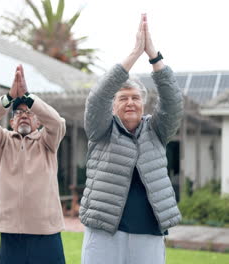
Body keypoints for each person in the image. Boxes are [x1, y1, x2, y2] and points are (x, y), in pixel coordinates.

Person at [80, 14, 183, 264]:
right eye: (123, 98)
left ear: (143, 103)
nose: (130, 102)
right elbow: (97, 98)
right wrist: (135, 53)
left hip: (149, 234)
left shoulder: (157, 129)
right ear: (113, 106)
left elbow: (173, 103)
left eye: (135, 97)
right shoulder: (101, 129)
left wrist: (153, 56)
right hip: (104, 233)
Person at [0, 65, 67, 264]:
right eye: (18, 113)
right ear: (11, 122)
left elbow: (57, 123)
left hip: (46, 234)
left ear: (38, 121)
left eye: (29, 112)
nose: (24, 115)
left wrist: (29, 98)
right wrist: (8, 98)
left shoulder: (47, 141)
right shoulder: (1, 141)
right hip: (11, 235)